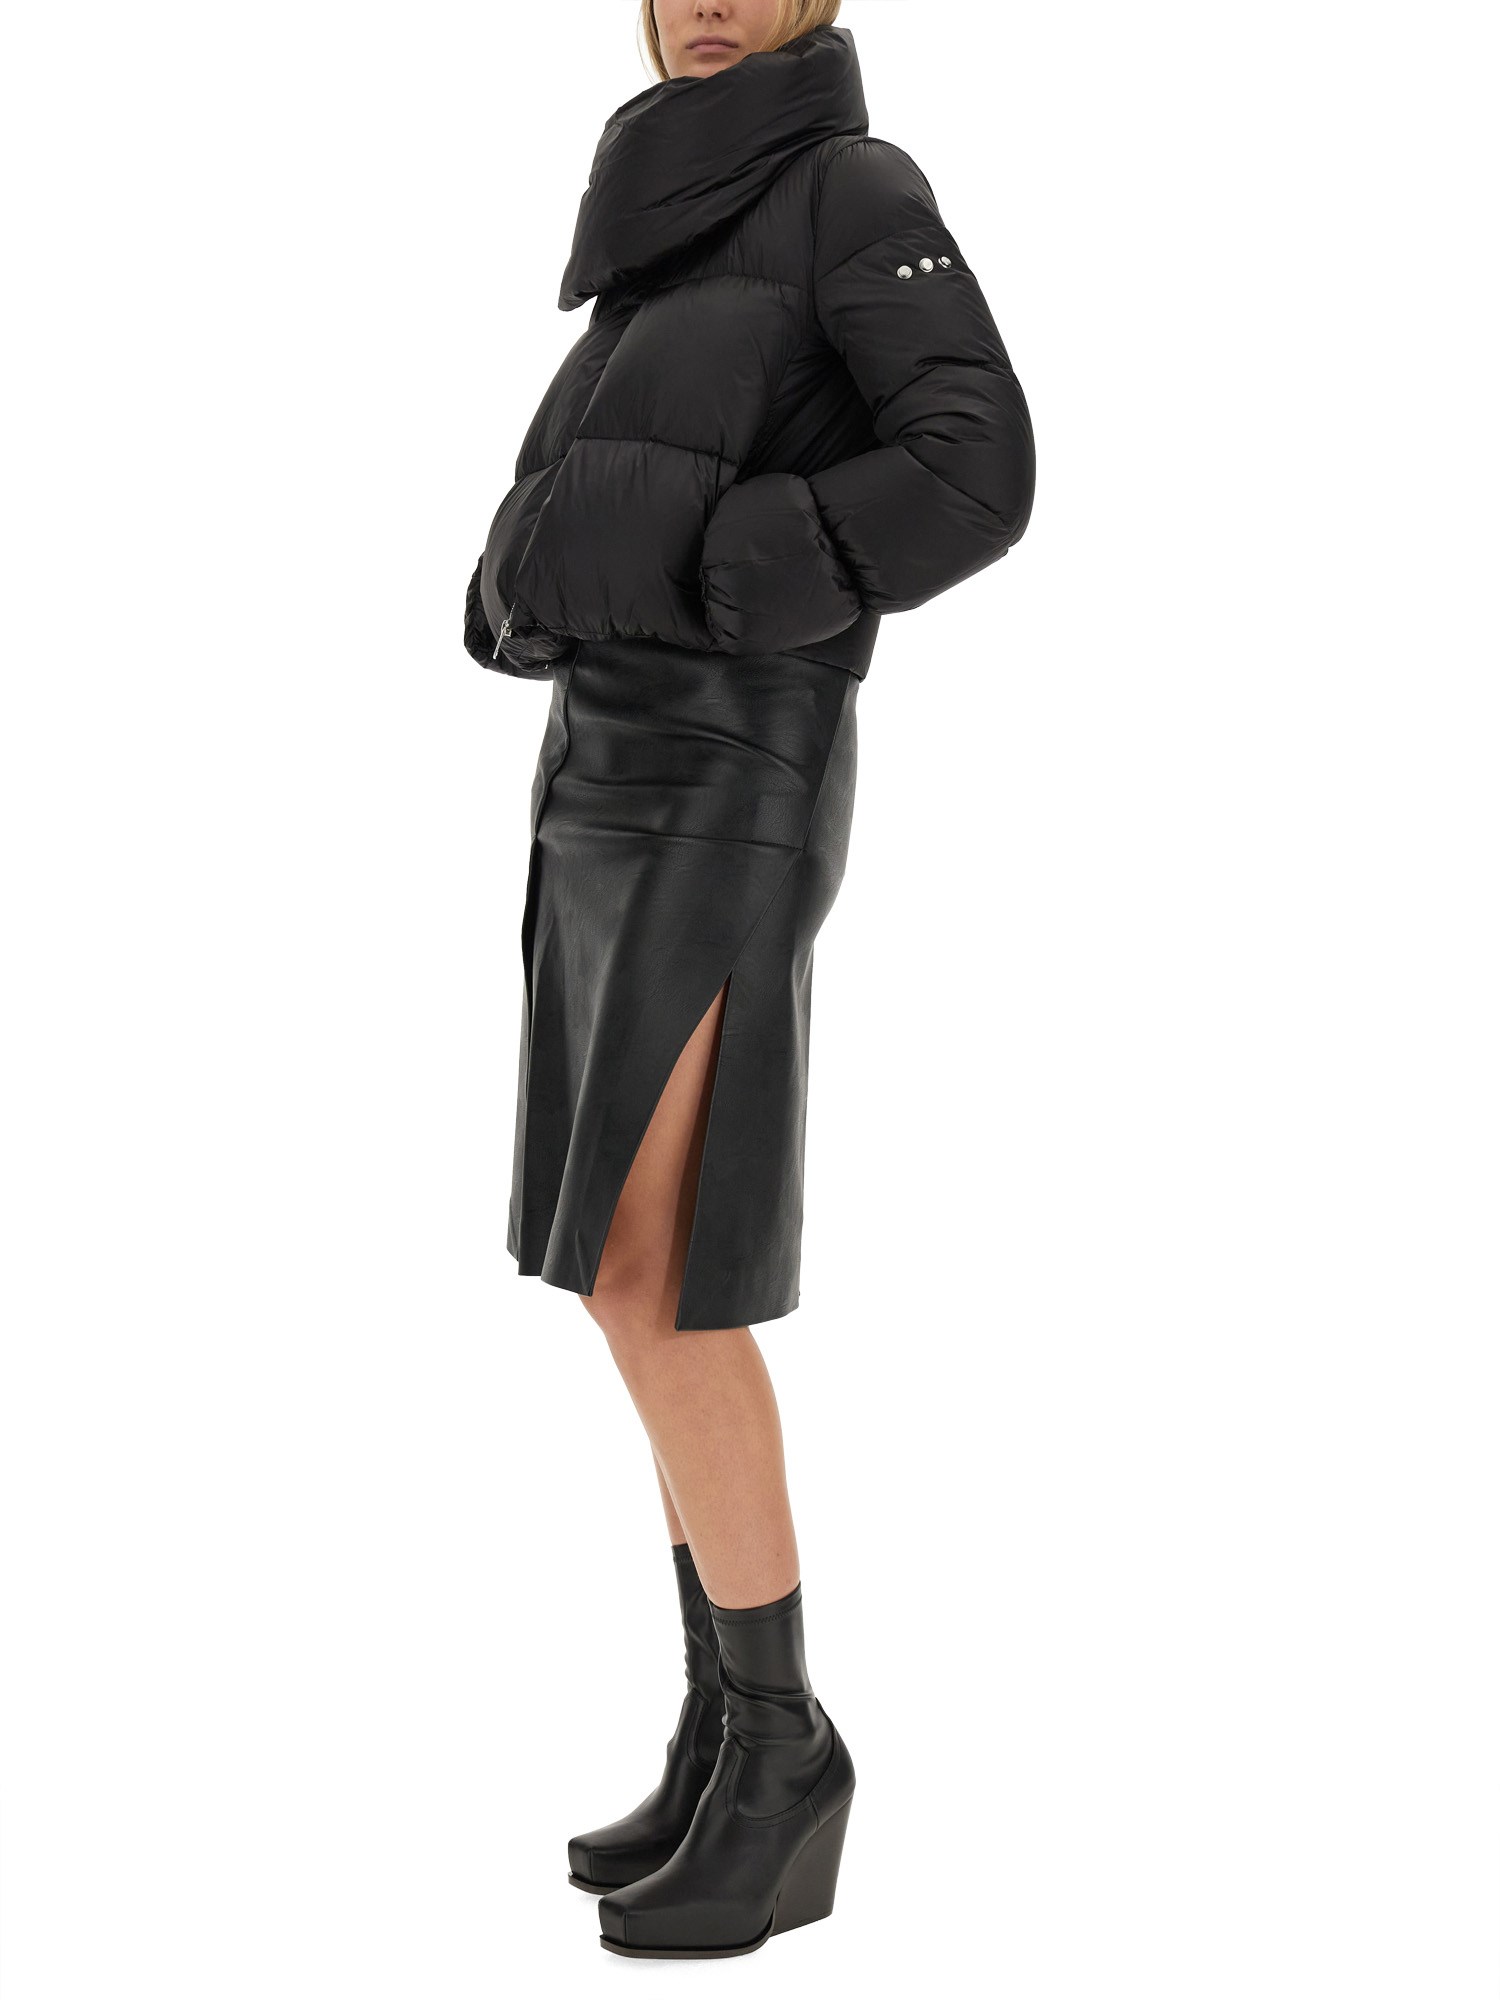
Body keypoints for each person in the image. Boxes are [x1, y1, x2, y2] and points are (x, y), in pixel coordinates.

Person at [463, 0, 1034, 1959]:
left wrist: (747, 572)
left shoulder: (847, 185)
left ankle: (786, 1760)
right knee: (619, 1277)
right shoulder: (670, 203)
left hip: (725, 773)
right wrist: (519, 573)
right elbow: (615, 475)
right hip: (604, 770)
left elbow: (976, 466)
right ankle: (721, 1728)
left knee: (661, 1276)